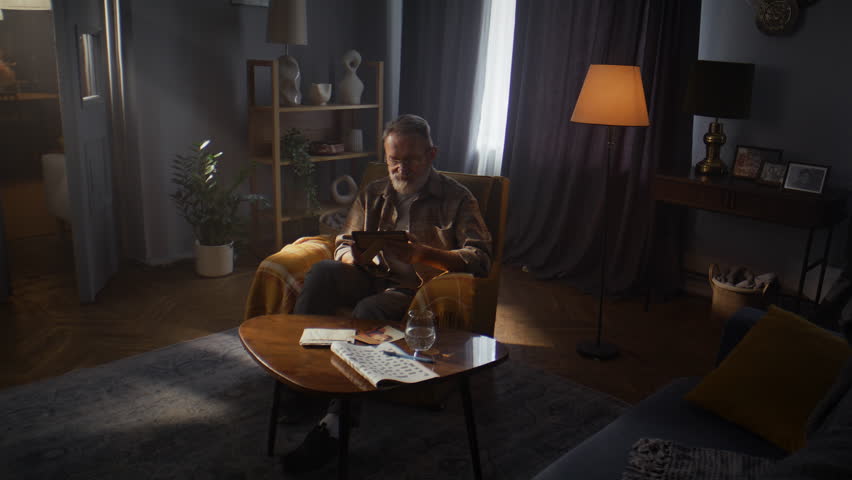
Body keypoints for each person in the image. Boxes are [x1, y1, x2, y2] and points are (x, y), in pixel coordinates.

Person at [281, 114, 493, 472]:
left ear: (431, 154)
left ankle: (336, 423)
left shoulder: (457, 198)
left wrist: (426, 254)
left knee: (368, 310)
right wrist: (351, 257)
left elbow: (481, 258)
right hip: (370, 274)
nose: (401, 169)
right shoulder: (374, 192)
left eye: (411, 160)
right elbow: (343, 241)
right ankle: (301, 383)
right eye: (394, 159)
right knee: (321, 273)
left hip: (415, 289)